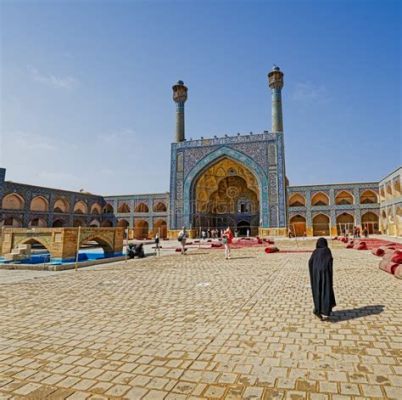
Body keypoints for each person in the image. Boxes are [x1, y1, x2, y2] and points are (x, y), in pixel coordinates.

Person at [308, 237, 336, 321]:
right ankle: (325, 309)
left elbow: (310, 262)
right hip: (325, 275)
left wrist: (314, 272)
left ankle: (317, 309)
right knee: (326, 291)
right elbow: (330, 262)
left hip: (316, 275)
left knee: (317, 291)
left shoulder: (315, 252)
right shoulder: (327, 251)